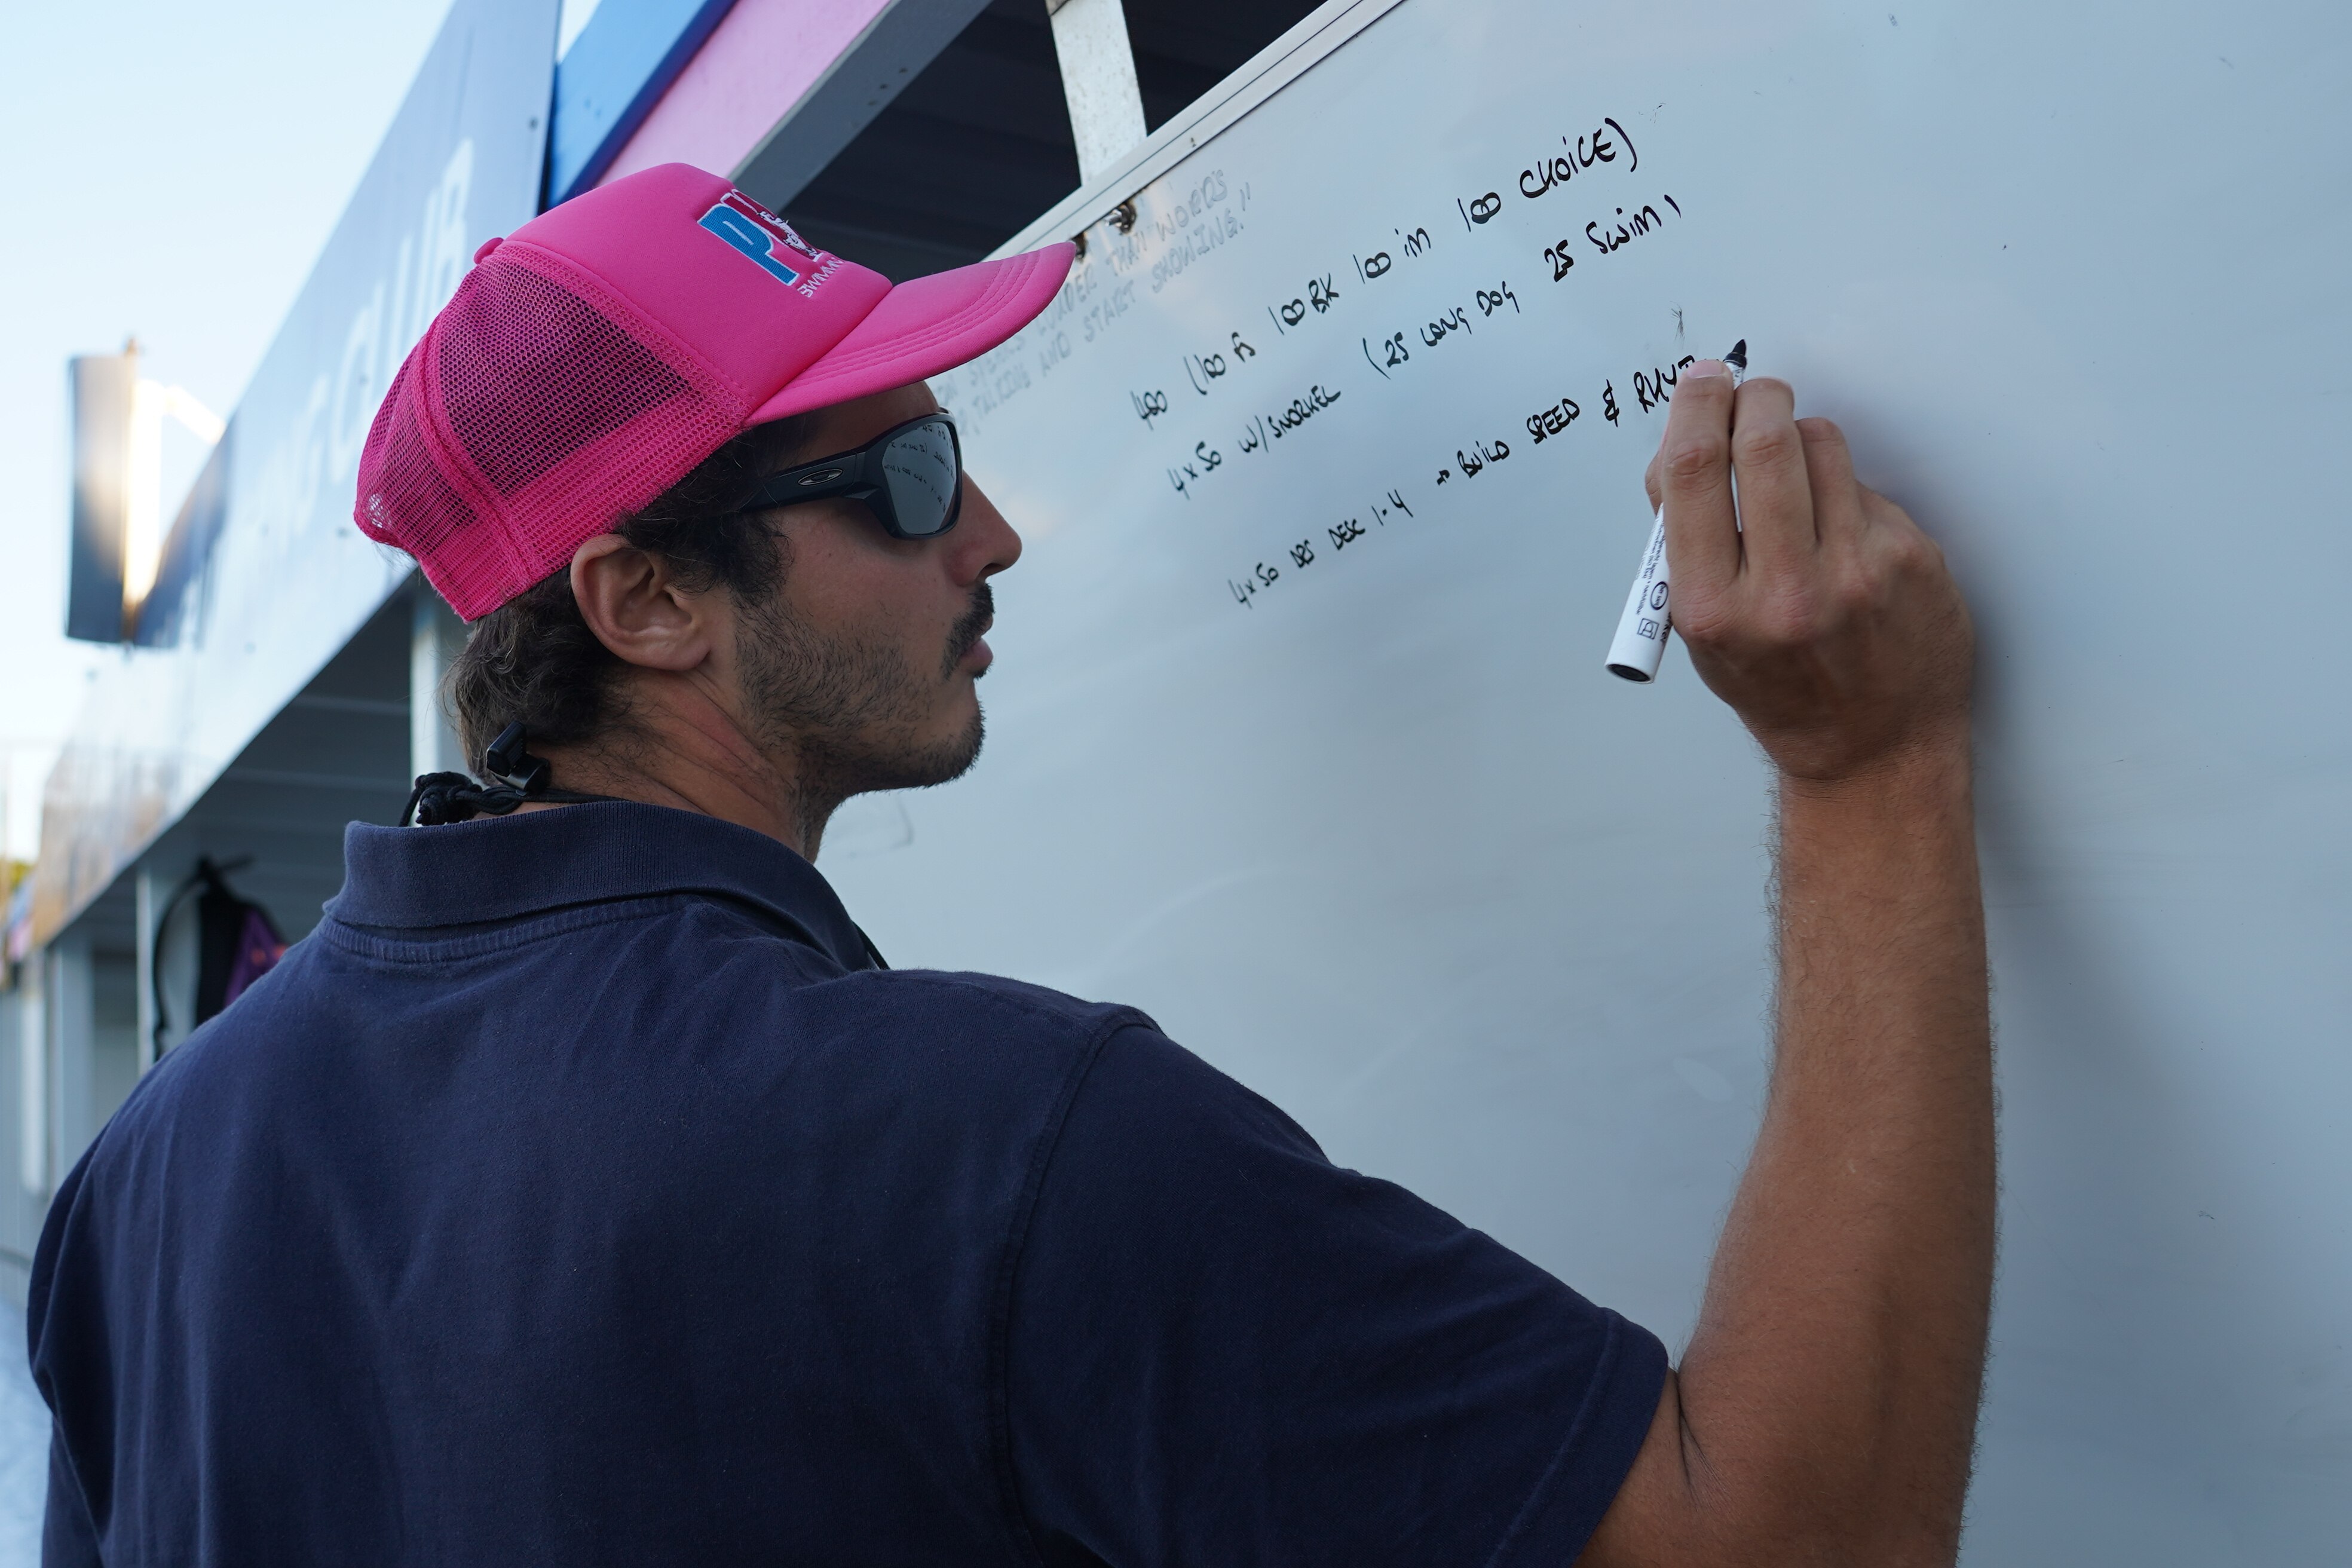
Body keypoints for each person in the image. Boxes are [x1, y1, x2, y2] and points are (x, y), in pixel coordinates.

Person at [28, 164, 1990, 1567]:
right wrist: (1871, 772)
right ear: (645, 603)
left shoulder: (149, 1176)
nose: (989, 535)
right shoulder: (990, 1147)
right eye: (897, 482)